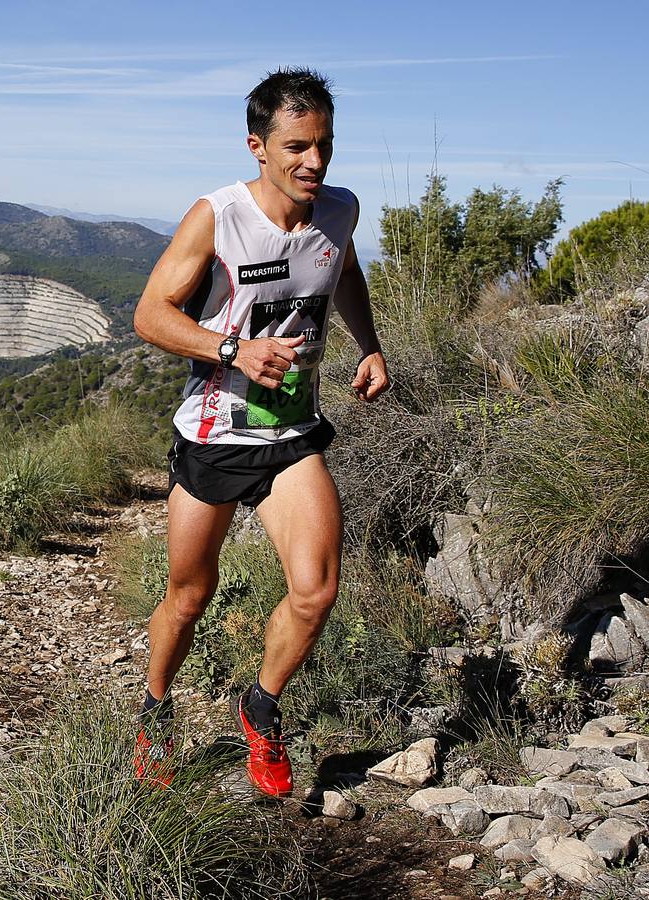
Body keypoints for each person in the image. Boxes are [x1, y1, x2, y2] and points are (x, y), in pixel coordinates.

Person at [128, 67, 389, 797]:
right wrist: (231, 348)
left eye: (324, 145)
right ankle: (154, 709)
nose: (314, 162)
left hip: (290, 433)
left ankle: (261, 704)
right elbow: (150, 314)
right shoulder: (216, 215)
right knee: (188, 595)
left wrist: (367, 343)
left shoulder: (339, 210)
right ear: (257, 146)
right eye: (297, 146)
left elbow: (342, 273)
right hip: (213, 434)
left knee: (315, 591)